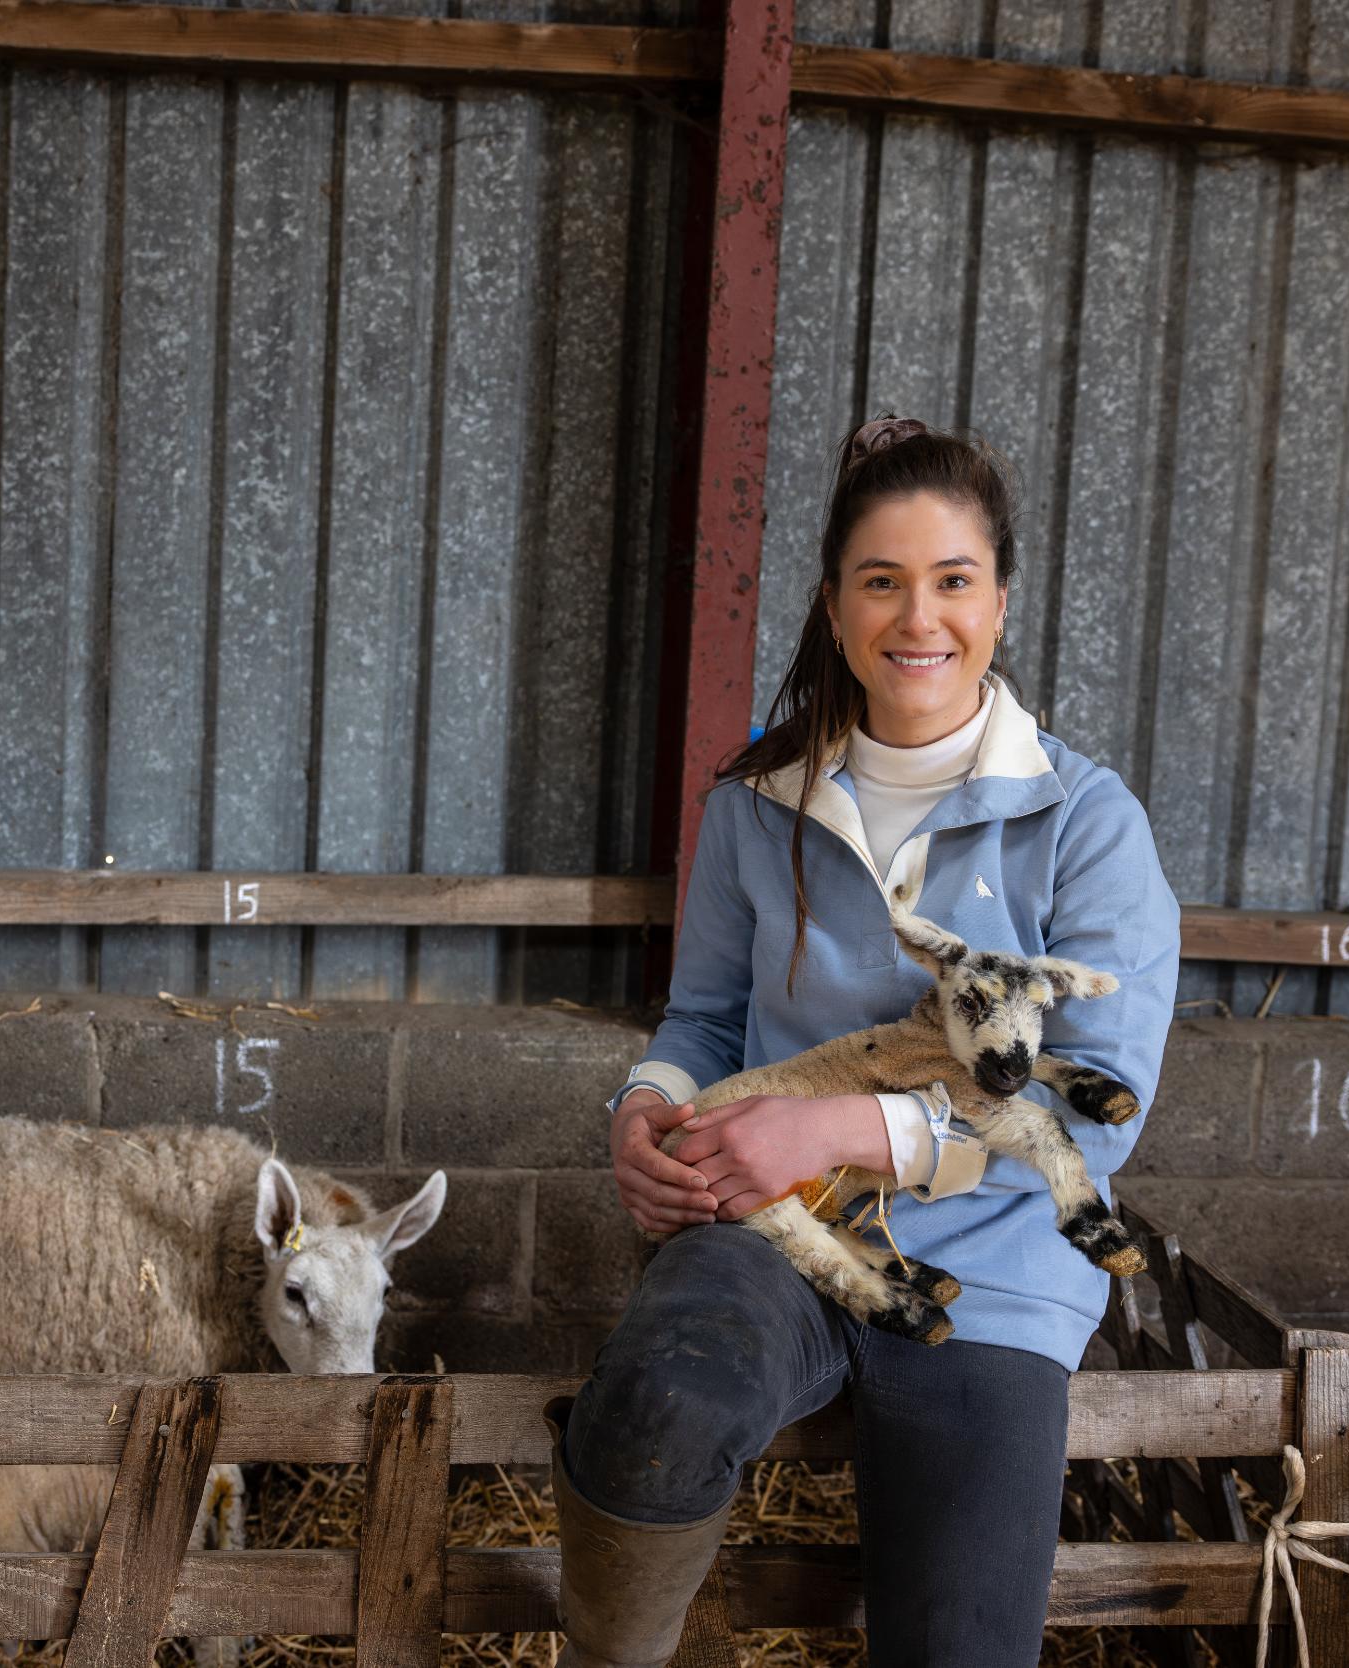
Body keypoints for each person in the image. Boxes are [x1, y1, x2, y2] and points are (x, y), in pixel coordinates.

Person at [546, 417, 1182, 1667]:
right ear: (833, 607)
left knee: (959, 1643)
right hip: (775, 1223)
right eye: (880, 582)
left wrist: (842, 1122)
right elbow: (703, 1019)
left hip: (998, 1267)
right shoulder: (756, 807)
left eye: (952, 581)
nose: (917, 618)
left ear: (999, 603)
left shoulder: (1085, 822)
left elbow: (1101, 1098)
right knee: (654, 1402)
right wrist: (641, 1107)